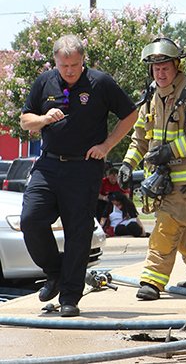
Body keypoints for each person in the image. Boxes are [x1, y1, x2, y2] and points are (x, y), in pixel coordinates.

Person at [19, 34, 138, 317]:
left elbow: (130, 114)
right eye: (64, 66)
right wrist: (45, 118)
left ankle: (70, 298)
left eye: (74, 64)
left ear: (83, 60)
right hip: (48, 166)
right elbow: (25, 120)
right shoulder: (45, 82)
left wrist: (107, 145)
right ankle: (54, 272)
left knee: (78, 232)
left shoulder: (101, 82)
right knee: (30, 219)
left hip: (83, 168)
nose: (69, 71)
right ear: (56, 62)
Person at [118, 37, 186, 301]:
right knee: (181, 229)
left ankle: (152, 280)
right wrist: (128, 163)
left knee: (165, 230)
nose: (160, 73)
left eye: (165, 68)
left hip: (185, 184)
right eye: (156, 69)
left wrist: (170, 150)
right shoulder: (152, 97)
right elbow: (140, 136)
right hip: (160, 182)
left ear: (177, 66)